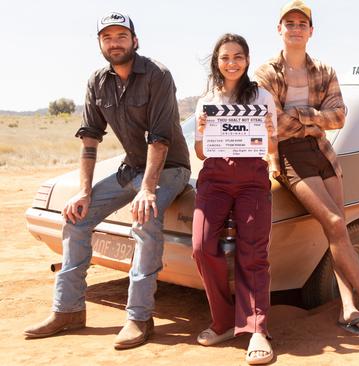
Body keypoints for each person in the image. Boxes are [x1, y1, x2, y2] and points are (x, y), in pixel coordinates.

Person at [24, 12, 191, 350]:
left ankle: (139, 317)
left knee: (145, 219)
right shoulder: (98, 81)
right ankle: (68, 310)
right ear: (101, 44)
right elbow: (89, 139)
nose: (114, 42)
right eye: (107, 37)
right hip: (130, 168)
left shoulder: (158, 75)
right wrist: (84, 191)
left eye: (121, 36)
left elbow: (160, 139)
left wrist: (147, 190)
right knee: (76, 217)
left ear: (135, 40)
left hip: (170, 168)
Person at [255, 0, 359, 336]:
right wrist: (314, 116)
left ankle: (348, 308)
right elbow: (270, 125)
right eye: (289, 23)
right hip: (289, 157)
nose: (295, 29)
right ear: (279, 29)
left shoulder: (324, 70)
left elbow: (339, 116)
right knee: (337, 223)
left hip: (324, 152)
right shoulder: (266, 73)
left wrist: (298, 115)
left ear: (311, 32)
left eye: (301, 24)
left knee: (339, 231)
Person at [191, 34, 278, 365]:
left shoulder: (261, 96)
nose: (232, 62)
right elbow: (201, 152)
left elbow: (270, 148)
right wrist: (201, 128)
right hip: (214, 179)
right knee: (200, 247)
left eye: (238, 56)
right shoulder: (206, 102)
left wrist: (269, 130)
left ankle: (256, 329)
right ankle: (225, 321)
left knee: (253, 251)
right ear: (217, 61)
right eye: (225, 57)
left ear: (247, 59)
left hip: (252, 181)